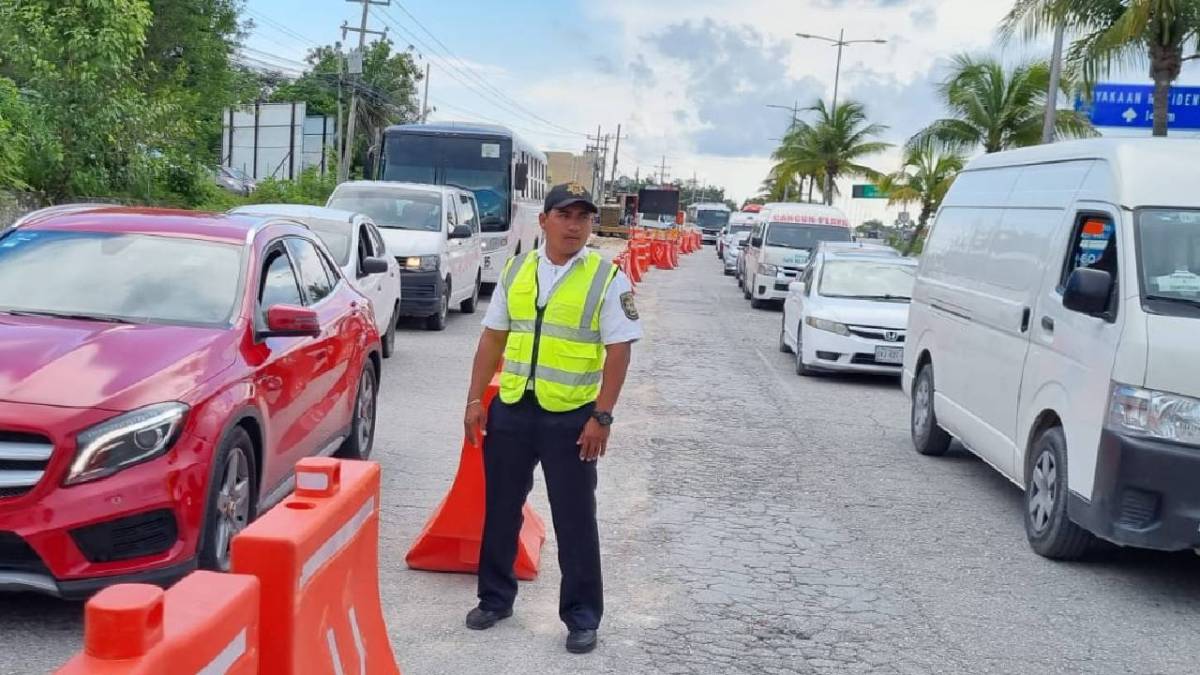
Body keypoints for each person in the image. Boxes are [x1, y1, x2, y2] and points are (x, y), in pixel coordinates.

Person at [462, 182, 641, 654]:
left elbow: (619, 350)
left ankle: (582, 617)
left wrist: (602, 416)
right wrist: (475, 400)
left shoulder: (607, 277)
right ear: (543, 221)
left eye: (583, 216)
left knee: (576, 519)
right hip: (514, 409)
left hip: (572, 418)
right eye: (565, 215)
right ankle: (495, 598)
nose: (575, 224)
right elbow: (492, 339)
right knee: (501, 509)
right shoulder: (517, 269)